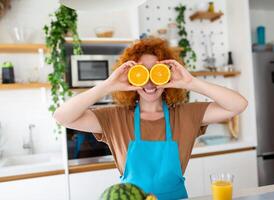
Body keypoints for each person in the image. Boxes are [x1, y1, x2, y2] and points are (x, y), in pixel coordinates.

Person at [53, 37, 248, 199]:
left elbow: (238, 105)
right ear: (131, 76)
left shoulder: (185, 114)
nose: (149, 82)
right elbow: (62, 117)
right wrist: (107, 86)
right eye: (141, 72)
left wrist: (191, 82)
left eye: (156, 72)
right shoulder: (114, 118)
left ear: (167, 75)